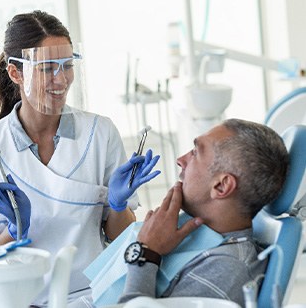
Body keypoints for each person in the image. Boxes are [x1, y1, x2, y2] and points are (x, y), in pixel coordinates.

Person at [0, 10, 160, 307]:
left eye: (67, 65)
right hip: (26, 298)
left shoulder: (100, 132)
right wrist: (13, 231)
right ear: (16, 73)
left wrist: (119, 206)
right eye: (46, 68)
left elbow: (119, 235)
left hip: (95, 295)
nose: (61, 79)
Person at [117, 119, 289, 308]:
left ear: (221, 186)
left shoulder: (225, 270)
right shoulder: (194, 235)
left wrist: (146, 253)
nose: (180, 160)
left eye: (195, 153)